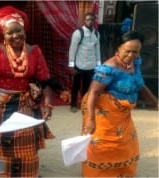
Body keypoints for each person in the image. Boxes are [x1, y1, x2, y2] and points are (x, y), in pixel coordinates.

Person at [0, 6, 55, 177]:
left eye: (18, 31)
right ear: (3, 35)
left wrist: (48, 104)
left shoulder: (34, 52)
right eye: (10, 33)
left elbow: (46, 81)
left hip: (23, 107)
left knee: (25, 141)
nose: (16, 36)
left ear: (24, 30)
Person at [81, 31, 158, 177]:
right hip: (102, 112)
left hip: (123, 115)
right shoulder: (108, 68)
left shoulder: (136, 63)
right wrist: (90, 120)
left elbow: (140, 85)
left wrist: (156, 103)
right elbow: (93, 93)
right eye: (127, 51)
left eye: (135, 52)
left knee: (126, 144)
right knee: (103, 146)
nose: (131, 55)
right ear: (118, 49)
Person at [69, 12, 101, 113]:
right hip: (79, 64)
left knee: (87, 87)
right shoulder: (78, 33)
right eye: (88, 20)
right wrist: (71, 66)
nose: (90, 21)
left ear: (94, 21)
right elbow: (72, 49)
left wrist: (99, 65)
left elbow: (97, 50)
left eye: (92, 20)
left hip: (91, 65)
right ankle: (73, 104)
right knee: (76, 86)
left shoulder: (96, 33)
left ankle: (84, 104)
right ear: (84, 21)